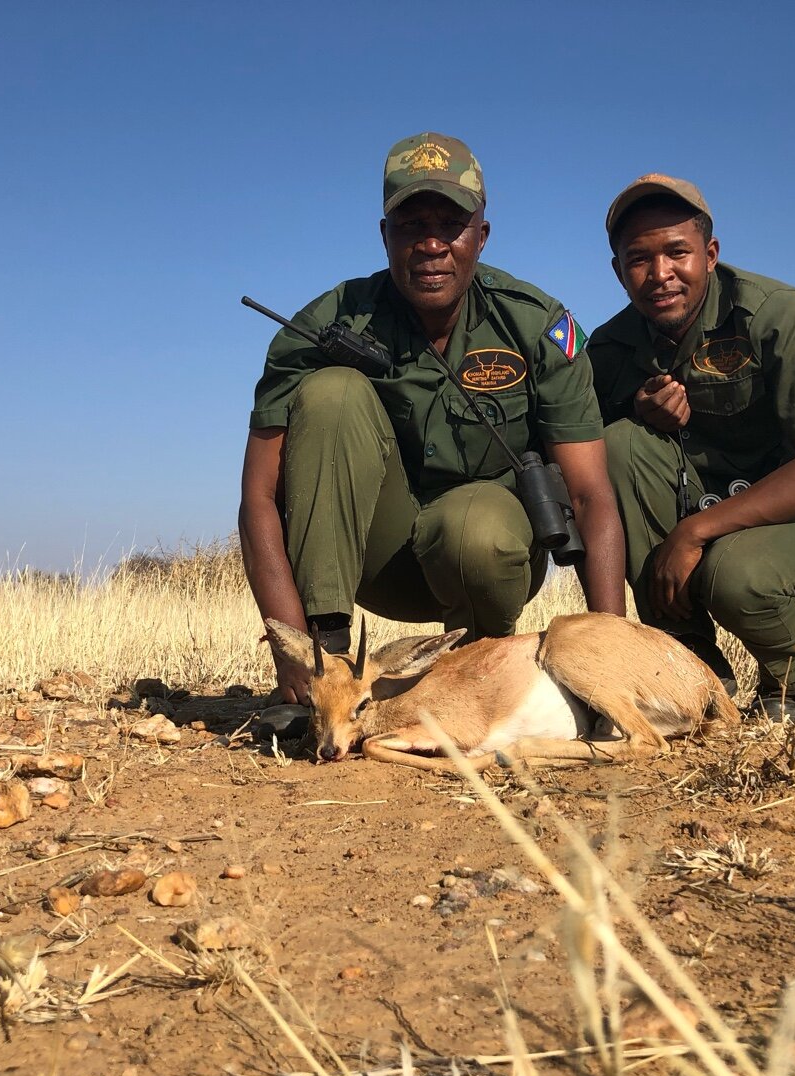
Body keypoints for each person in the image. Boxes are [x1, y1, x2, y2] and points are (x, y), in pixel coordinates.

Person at [240, 133, 625, 705]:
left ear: (481, 236)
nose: (430, 244)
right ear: (384, 235)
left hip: (483, 557)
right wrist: (291, 652)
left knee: (479, 528)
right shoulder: (323, 324)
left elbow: (591, 495)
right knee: (332, 393)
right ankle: (330, 660)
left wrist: (609, 654)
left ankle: (479, 674)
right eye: (410, 224)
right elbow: (258, 498)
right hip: (379, 564)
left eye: (450, 225)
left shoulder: (537, 325)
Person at [589, 174, 795, 722]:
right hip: (697, 506)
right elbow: (591, 467)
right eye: (638, 259)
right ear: (617, 270)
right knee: (618, 442)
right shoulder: (607, 347)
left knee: (734, 575)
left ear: (711, 253)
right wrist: (636, 413)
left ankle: (789, 682)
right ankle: (689, 664)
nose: (660, 275)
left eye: (678, 252)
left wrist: (693, 532)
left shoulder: (777, 312)